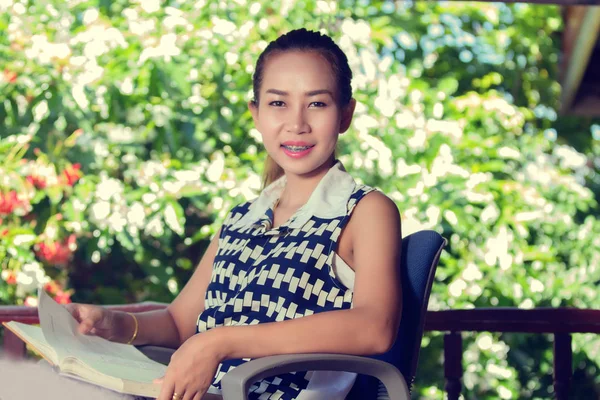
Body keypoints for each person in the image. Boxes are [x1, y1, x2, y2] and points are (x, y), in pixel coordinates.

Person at [66, 28, 402, 400]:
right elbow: (180, 322)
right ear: (255, 114)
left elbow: (376, 327)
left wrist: (219, 342)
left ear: (345, 114)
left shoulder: (365, 210)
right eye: (278, 104)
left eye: (317, 104)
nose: (297, 123)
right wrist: (116, 323)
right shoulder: (242, 218)